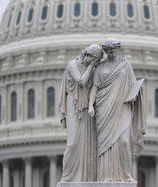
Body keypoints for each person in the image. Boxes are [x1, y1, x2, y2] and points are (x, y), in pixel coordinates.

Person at [88, 38, 146, 182]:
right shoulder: (100, 68)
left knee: (124, 142)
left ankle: (126, 175)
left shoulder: (125, 66)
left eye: (114, 50)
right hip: (104, 108)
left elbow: (133, 85)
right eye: (109, 50)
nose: (112, 52)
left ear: (117, 49)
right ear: (106, 51)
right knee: (105, 146)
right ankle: (105, 176)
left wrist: (137, 93)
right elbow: (94, 87)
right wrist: (90, 105)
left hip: (123, 107)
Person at [59, 44, 103, 182]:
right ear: (88, 55)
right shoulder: (73, 64)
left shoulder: (94, 68)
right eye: (94, 60)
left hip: (87, 109)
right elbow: (81, 81)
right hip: (74, 105)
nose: (95, 63)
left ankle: (87, 178)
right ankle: (67, 178)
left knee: (88, 145)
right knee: (72, 144)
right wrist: (92, 66)